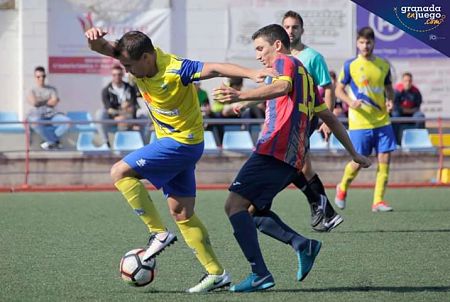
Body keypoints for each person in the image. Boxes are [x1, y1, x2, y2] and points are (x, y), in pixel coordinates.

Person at [84, 27, 275, 293]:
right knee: (182, 213)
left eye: (130, 66)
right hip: (175, 144)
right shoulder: (131, 56)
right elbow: (102, 48)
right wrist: (93, 39)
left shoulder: (176, 69)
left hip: (181, 143)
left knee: (119, 172)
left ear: (148, 58)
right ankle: (216, 273)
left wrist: (253, 73)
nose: (127, 71)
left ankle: (158, 233)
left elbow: (216, 68)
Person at [213, 24, 371, 292]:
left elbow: (282, 87)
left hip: (274, 149)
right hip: (294, 157)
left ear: (277, 45)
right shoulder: (306, 77)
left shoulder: (285, 62)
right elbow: (329, 117)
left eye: (260, 48)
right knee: (252, 211)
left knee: (234, 207)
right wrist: (353, 153)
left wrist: (242, 94)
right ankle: (303, 245)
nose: (258, 56)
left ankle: (260, 274)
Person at [281, 10, 341, 231]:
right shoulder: (280, 58)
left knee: (295, 164)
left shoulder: (312, 57)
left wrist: (328, 119)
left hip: (306, 118)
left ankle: (322, 207)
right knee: (301, 166)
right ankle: (326, 211)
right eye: (287, 27)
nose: (290, 31)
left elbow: (327, 88)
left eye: (295, 27)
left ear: (302, 30)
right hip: (285, 120)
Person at [334, 26, 396, 212]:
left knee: (385, 159)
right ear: (357, 43)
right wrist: (349, 102)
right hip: (360, 122)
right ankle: (342, 187)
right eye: (361, 42)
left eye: (368, 42)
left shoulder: (383, 65)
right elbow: (338, 90)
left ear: (373, 43)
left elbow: (389, 88)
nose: (365, 45)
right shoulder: (350, 65)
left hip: (382, 121)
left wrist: (390, 100)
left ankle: (378, 201)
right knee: (359, 161)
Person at [27, 66, 71, 150]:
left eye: (43, 76)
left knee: (67, 122)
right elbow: (34, 103)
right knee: (35, 123)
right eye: (38, 77)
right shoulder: (32, 90)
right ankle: (54, 142)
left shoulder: (52, 89)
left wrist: (41, 101)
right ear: (35, 77)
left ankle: (50, 142)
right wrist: (48, 101)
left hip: (52, 115)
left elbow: (54, 102)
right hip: (38, 115)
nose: (41, 78)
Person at [96, 65, 139, 146]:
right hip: (113, 118)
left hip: (127, 116)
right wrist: (116, 117)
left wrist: (129, 115)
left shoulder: (130, 88)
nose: (117, 77)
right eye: (114, 75)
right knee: (100, 113)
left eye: (119, 74)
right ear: (112, 76)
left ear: (122, 75)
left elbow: (133, 105)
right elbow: (108, 108)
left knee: (143, 116)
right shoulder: (106, 90)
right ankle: (106, 143)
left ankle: (142, 146)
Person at [392, 72, 425, 142]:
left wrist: (408, 110)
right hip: (400, 114)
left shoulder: (416, 91)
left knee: (420, 116)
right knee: (394, 116)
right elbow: (395, 107)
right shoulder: (397, 91)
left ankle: (419, 141)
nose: (408, 83)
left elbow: (417, 107)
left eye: (409, 81)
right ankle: (395, 142)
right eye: (405, 81)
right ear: (402, 81)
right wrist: (404, 110)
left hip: (412, 114)